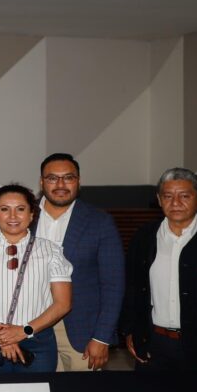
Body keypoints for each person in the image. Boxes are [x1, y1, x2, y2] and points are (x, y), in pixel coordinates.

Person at [0, 184, 72, 374]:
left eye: (20, 209)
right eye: (4, 209)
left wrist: (23, 331)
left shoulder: (51, 251)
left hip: (36, 341)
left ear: (31, 215)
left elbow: (63, 303)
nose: (12, 216)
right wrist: (2, 335)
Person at [121, 168, 197, 373]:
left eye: (184, 196)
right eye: (168, 196)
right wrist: (130, 331)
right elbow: (132, 287)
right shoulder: (144, 237)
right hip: (154, 345)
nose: (175, 203)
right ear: (159, 200)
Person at [35, 153, 125, 371]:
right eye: (52, 178)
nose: (60, 185)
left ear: (79, 181)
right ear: (41, 182)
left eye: (68, 178)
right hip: (32, 329)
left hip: (81, 332)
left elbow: (113, 284)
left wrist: (102, 338)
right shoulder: (23, 215)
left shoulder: (99, 221)